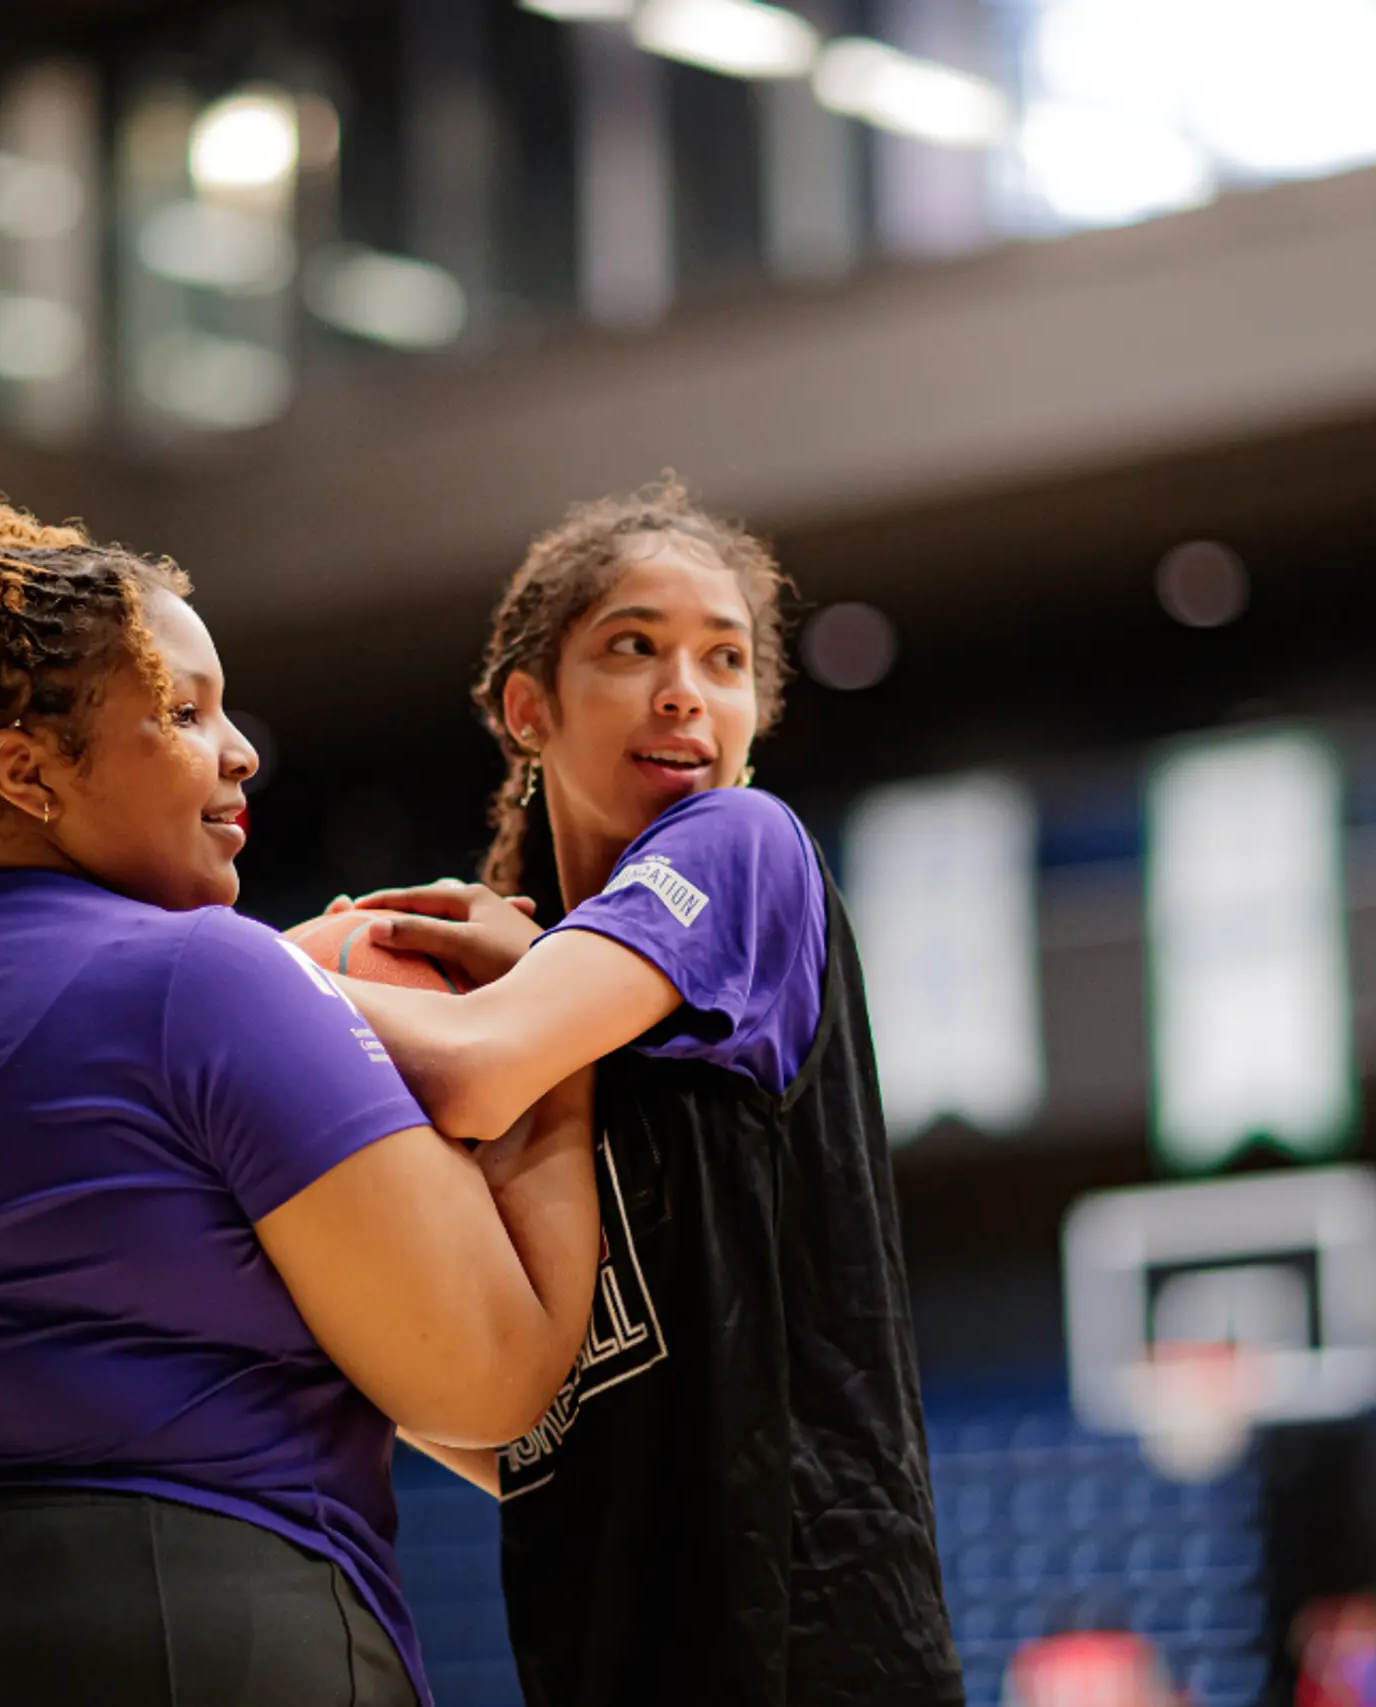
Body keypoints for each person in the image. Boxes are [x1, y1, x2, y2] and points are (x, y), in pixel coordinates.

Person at [0, 478, 600, 1707]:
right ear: (23, 771)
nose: (241, 752)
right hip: (144, 1615)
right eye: (182, 712)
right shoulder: (199, 976)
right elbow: (489, 1375)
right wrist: (567, 1038)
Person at [327, 478, 963, 1707]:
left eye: (723, 661)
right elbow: (519, 1428)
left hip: (808, 1657)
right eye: (634, 647)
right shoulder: (551, 1022)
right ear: (529, 710)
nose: (684, 687)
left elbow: (467, 1067)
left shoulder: (744, 842)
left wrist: (198, 973)